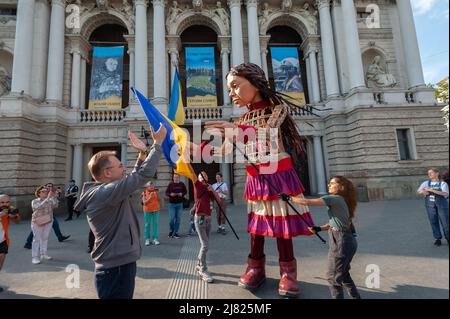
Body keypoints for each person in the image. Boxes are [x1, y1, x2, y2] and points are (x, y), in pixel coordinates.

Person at [204, 63, 315, 297]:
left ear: (254, 83)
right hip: (255, 178)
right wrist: (187, 147)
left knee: (281, 224)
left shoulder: (276, 109)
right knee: (258, 227)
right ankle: (255, 267)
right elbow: (224, 151)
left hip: (278, 173)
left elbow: (268, 136)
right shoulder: (242, 118)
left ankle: (288, 272)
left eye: (235, 86)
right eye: (229, 88)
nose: (231, 93)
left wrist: (234, 130)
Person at [74, 125, 166, 299]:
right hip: (115, 269)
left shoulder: (107, 190)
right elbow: (143, 176)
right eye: (120, 165)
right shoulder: (106, 192)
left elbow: (133, 178)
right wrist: (158, 143)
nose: (124, 168)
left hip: (116, 265)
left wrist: (142, 155)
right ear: (108, 173)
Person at [290, 176, 361, 299]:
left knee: (332, 277)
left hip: (341, 241)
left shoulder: (334, 198)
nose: (329, 185)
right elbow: (336, 223)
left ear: (341, 187)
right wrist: (319, 228)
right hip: (347, 241)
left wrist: (290, 198)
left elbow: (308, 202)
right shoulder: (343, 201)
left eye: (332, 183)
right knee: (343, 274)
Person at [192, 171, 221, 283]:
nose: (204, 177)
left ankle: (199, 264)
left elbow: (218, 200)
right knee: (205, 245)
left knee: (205, 245)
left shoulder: (209, 188)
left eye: (206, 176)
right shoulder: (197, 185)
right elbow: (193, 175)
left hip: (208, 220)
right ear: (199, 178)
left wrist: (212, 190)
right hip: (200, 219)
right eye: (202, 176)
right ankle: (203, 270)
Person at [24, 182, 70, 249]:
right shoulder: (42, 196)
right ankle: (28, 243)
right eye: (48, 186)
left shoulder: (50, 195)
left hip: (49, 215)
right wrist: (48, 197)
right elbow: (38, 206)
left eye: (51, 186)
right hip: (40, 216)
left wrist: (55, 196)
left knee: (55, 225)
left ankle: (60, 237)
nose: (49, 187)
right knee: (36, 230)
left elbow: (55, 206)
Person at [417, 168, 449, 246]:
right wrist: (423, 191)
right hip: (430, 205)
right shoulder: (425, 183)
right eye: (428, 173)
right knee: (433, 221)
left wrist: (432, 190)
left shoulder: (443, 184)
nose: (429, 174)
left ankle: (448, 238)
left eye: (431, 173)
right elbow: (419, 191)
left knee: (445, 222)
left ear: (437, 173)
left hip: (442, 205)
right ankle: (437, 238)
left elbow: (445, 193)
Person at [31, 185, 58, 264]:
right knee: (36, 239)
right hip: (37, 222)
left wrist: (54, 196)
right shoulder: (35, 201)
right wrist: (47, 199)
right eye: (43, 191)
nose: (45, 192)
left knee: (45, 238)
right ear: (38, 193)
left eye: (46, 191)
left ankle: (43, 254)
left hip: (48, 221)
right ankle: (35, 257)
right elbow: (37, 207)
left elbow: (56, 205)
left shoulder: (49, 200)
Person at [0, 194, 20, 293]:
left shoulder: (10, 209)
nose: (5, 204)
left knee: (0, 264)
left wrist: (14, 216)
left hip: (3, 241)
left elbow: (17, 221)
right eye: (2, 202)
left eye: (7, 202)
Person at [165, 173, 187, 239]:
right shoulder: (170, 184)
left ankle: (175, 232)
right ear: (173, 178)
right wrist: (170, 194)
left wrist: (182, 194)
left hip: (179, 204)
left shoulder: (182, 184)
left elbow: (185, 191)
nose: (176, 178)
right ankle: (172, 231)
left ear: (179, 178)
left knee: (178, 219)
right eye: (175, 177)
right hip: (172, 204)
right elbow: (166, 192)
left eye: (177, 177)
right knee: (171, 219)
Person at [141, 180, 161, 246]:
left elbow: (160, 199)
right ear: (147, 187)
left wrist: (158, 194)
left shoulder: (156, 191)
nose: (151, 187)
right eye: (150, 185)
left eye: (152, 185)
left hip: (156, 210)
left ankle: (155, 239)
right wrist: (150, 197)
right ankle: (147, 239)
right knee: (147, 225)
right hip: (147, 210)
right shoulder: (144, 192)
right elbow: (144, 202)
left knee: (155, 224)